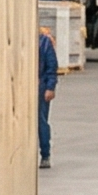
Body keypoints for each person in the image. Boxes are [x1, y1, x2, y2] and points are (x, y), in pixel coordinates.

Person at [38, 21, 59, 170]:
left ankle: (45, 154)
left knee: (40, 121)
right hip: (21, 86)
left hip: (40, 86)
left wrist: (50, 87)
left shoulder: (44, 42)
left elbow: (52, 66)